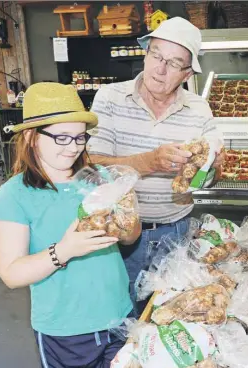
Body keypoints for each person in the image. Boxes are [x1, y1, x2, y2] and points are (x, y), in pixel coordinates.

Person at [0, 83, 141, 368]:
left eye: (79, 136)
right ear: (32, 136)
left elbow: (131, 234)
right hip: (67, 329)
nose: (73, 147)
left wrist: (128, 220)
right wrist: (65, 250)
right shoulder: (15, 195)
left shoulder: (98, 177)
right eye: (61, 137)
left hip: (119, 313)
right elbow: (12, 273)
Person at [88, 17, 224, 315]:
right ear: (146, 53)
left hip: (175, 233)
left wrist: (210, 166)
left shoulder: (198, 108)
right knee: (117, 316)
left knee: (168, 314)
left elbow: (209, 178)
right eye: (156, 56)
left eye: (174, 63)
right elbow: (92, 167)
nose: (160, 69)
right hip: (118, 236)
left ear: (187, 73)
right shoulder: (110, 98)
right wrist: (149, 162)